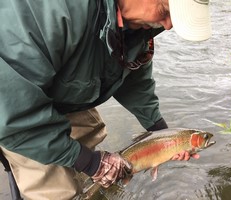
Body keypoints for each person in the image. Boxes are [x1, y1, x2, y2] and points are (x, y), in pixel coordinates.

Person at [0, 0, 211, 199]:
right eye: (165, 11)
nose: (168, 25)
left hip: (56, 92)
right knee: (59, 190)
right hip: (13, 108)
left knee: (89, 146)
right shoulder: (51, 11)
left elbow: (133, 77)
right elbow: (13, 115)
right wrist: (91, 162)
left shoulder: (137, 26)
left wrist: (161, 133)